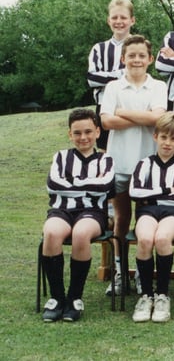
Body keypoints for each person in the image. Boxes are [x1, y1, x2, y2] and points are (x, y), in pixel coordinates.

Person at [100, 35, 167, 296]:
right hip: (119, 162)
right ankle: (120, 272)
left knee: (144, 221)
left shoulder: (158, 86)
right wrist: (144, 117)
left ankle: (141, 274)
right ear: (122, 58)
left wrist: (123, 113)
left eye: (141, 56)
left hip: (149, 166)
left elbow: (158, 119)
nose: (136, 60)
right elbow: (106, 122)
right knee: (121, 219)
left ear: (150, 59)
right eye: (131, 56)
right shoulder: (113, 87)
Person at [41, 109, 115, 322]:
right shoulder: (60, 157)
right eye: (77, 133)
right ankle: (57, 298)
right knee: (52, 232)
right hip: (61, 210)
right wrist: (88, 185)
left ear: (98, 132)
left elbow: (104, 187)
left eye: (88, 132)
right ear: (69, 134)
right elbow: (54, 184)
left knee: (81, 233)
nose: (83, 137)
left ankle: (74, 298)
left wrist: (72, 183)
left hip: (92, 212)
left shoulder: (106, 159)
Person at [129, 112, 174, 322]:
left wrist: (152, 195)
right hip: (147, 212)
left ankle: (162, 296)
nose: (168, 143)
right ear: (155, 136)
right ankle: (146, 296)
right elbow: (134, 192)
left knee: (162, 238)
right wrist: (167, 189)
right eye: (164, 137)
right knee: (146, 239)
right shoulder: (144, 164)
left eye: (173, 139)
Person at [87, 0, 135, 150]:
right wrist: (121, 74)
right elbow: (92, 78)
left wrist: (106, 76)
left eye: (123, 17)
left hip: (133, 104)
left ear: (132, 20)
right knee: (105, 151)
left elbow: (137, 75)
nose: (119, 21)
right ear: (108, 20)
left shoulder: (139, 46)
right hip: (104, 106)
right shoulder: (99, 48)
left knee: (133, 147)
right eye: (114, 17)